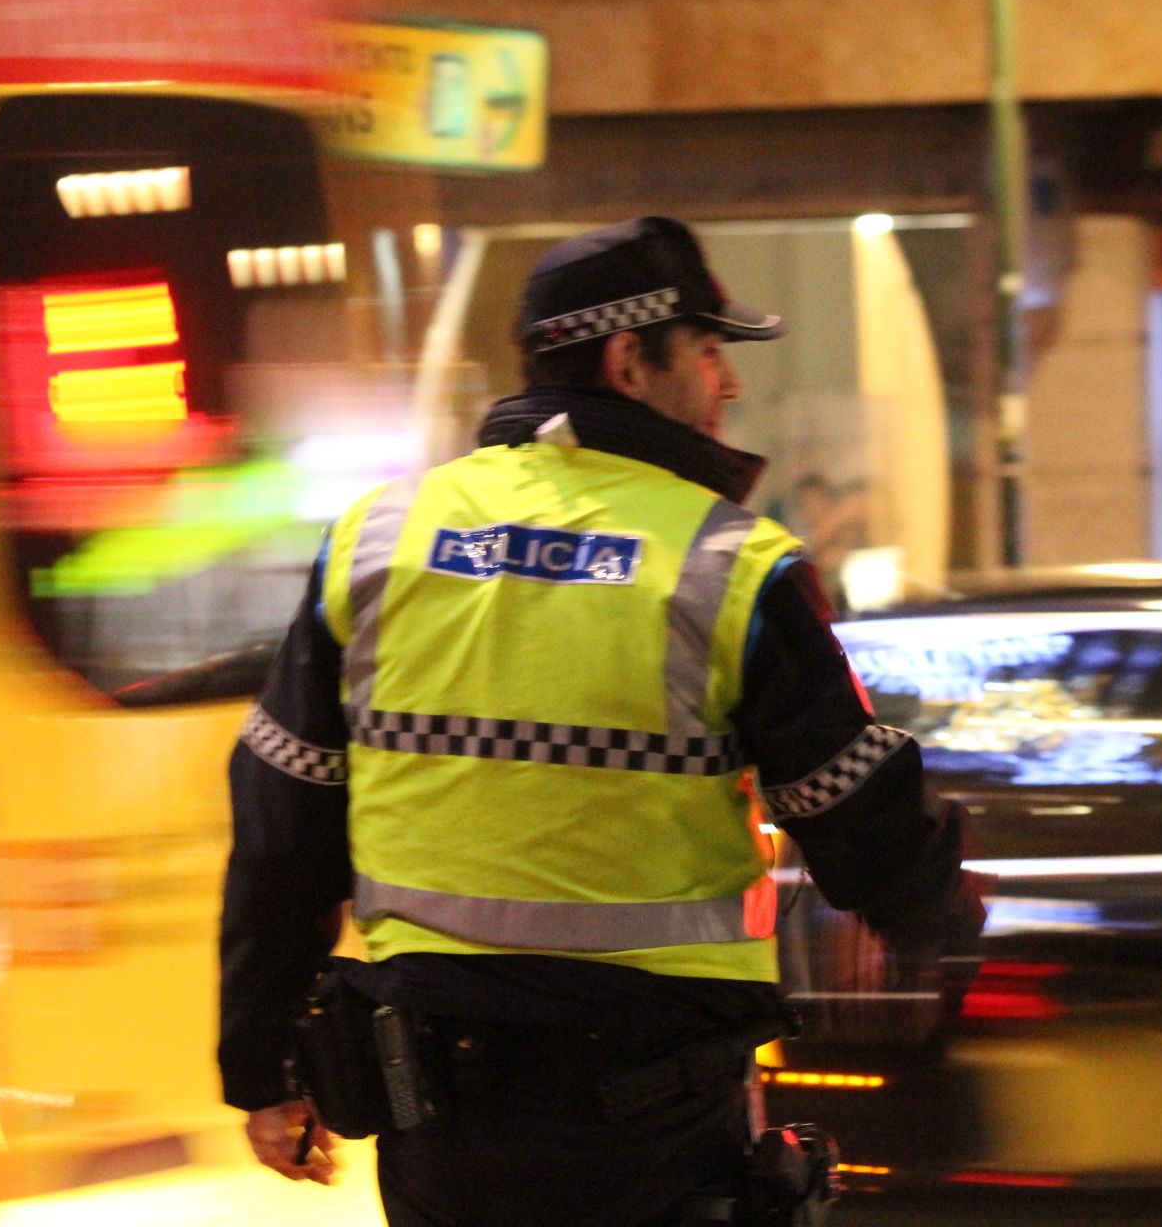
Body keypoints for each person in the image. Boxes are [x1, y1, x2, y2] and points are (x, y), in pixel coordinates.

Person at [219, 215, 984, 1226]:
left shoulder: (376, 542)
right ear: (630, 359)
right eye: (710, 349)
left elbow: (285, 822)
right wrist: (949, 929)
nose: (730, 381)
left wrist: (263, 1062)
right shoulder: (723, 564)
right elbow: (855, 813)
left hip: (439, 1115)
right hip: (650, 1118)